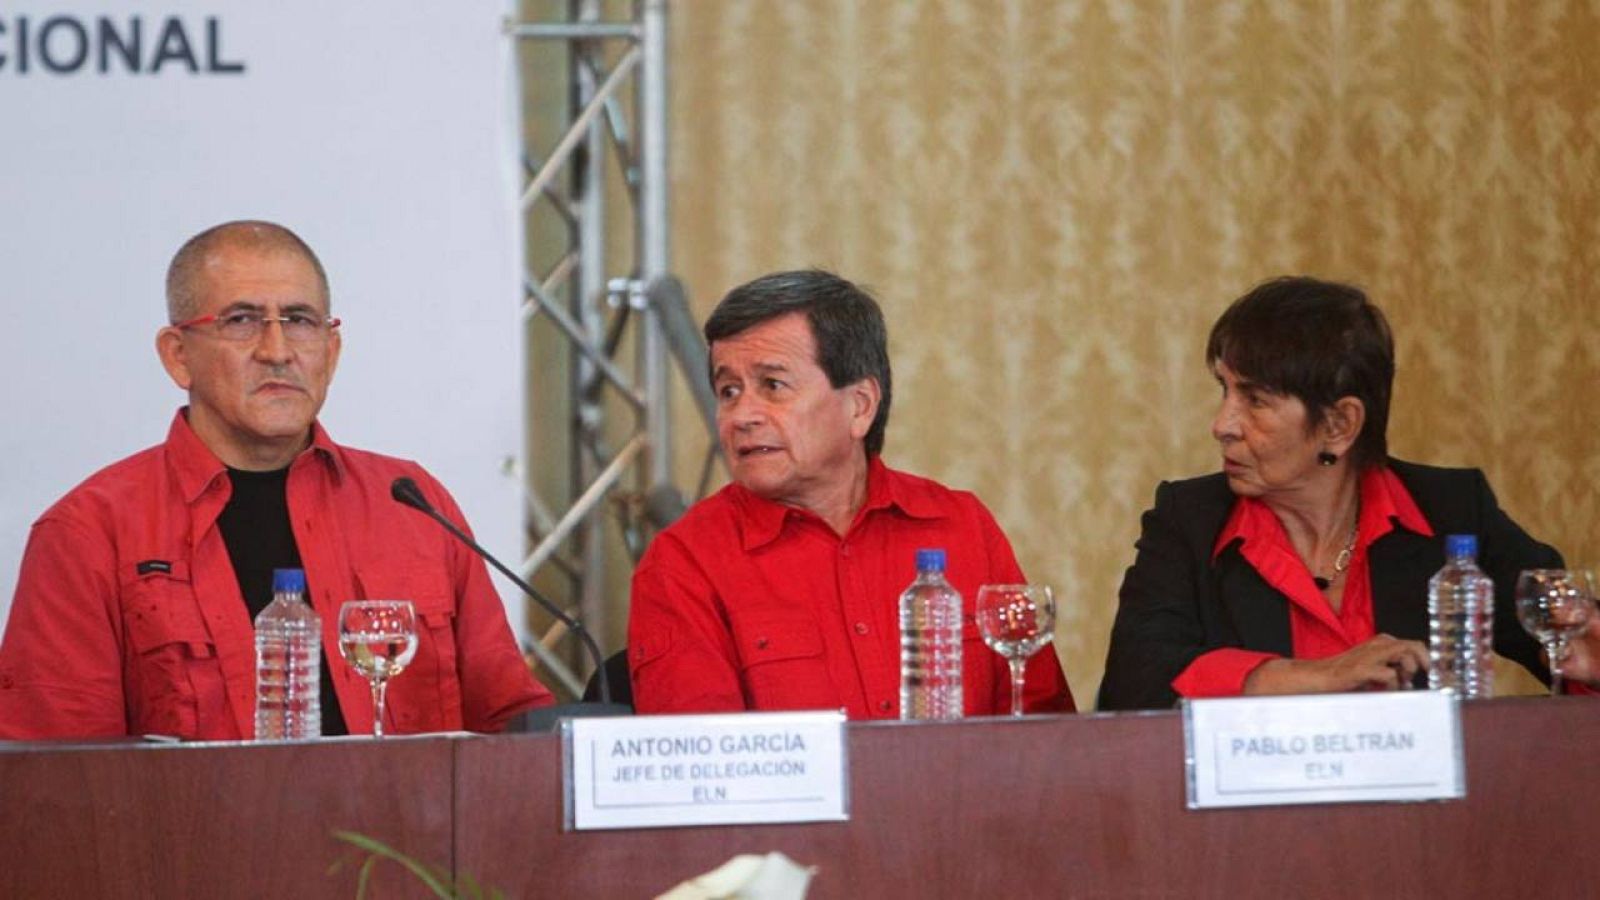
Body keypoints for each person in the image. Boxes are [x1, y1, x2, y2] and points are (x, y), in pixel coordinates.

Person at [0, 220, 552, 740]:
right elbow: (60, 782)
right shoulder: (89, 533)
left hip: (404, 842)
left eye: (300, 320)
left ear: (330, 353)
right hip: (197, 842)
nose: (277, 350)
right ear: (177, 356)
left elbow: (508, 718)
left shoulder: (410, 503)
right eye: (241, 320)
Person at [1097, 276, 1600, 711]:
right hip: (1249, 819)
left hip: (1423, 817)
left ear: (1339, 424)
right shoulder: (1189, 520)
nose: (1222, 424)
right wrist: (1317, 677)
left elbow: (1563, 635)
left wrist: (1581, 656)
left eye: (1254, 400)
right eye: (1223, 390)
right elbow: (1132, 687)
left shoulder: (1451, 511)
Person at [627, 269, 1074, 718]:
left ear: (859, 406)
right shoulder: (684, 562)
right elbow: (703, 772)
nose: (741, 415)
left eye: (773, 386)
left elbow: (1043, 734)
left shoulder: (962, 527)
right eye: (728, 391)